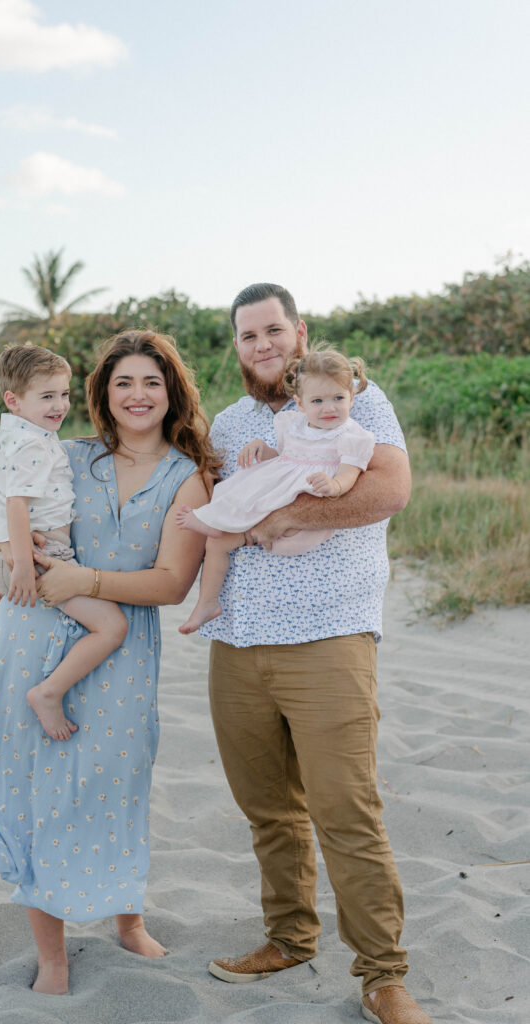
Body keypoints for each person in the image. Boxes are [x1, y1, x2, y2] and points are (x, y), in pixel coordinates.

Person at [201, 284, 433, 1024]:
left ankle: (383, 976)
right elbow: (197, 511)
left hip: (330, 634)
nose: (263, 345)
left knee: (347, 810)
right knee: (268, 809)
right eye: (248, 336)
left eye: (274, 330)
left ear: (299, 333)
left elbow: (389, 489)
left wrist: (278, 515)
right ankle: (289, 938)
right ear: (236, 347)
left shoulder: (352, 398)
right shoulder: (232, 422)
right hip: (236, 641)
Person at [0, 329, 219, 995]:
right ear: (103, 395)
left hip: (120, 652)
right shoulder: (65, 454)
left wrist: (84, 582)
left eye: (151, 383)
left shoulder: (185, 479)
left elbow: (170, 584)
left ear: (172, 393)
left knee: (115, 789)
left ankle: (127, 921)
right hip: (30, 636)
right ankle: (52, 958)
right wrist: (5, 550)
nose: (137, 395)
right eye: (123, 383)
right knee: (30, 792)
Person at [0, 343, 128, 742]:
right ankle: (48, 692)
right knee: (111, 626)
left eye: (63, 394)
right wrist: (25, 565)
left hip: (11, 552)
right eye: (47, 396)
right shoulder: (34, 446)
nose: (59, 405)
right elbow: (16, 505)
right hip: (43, 556)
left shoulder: (8, 437)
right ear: (13, 400)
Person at [177, 345, 375, 634]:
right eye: (318, 400)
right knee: (218, 540)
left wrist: (334, 486)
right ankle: (207, 602)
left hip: (303, 510)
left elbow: (350, 474)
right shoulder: (295, 425)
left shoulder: (352, 435)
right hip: (278, 491)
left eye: (338, 398)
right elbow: (285, 458)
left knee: (250, 519)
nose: (329, 408)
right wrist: (263, 449)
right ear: (301, 403)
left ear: (351, 397)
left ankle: (216, 520)